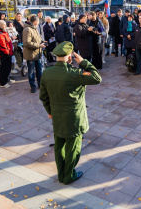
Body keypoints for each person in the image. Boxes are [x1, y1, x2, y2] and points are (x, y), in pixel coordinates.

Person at [39, 42, 101, 185]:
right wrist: (84, 62)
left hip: (57, 117)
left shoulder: (47, 73)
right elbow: (97, 78)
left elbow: (43, 96)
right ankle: (68, 176)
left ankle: (61, 173)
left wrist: (50, 111)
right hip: (74, 118)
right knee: (73, 148)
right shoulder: (75, 73)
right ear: (70, 57)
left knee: (59, 145)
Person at [23, 15, 46, 93]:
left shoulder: (34, 28)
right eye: (38, 21)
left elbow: (37, 39)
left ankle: (40, 84)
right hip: (31, 54)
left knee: (39, 70)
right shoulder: (27, 29)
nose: (39, 23)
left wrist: (42, 43)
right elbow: (27, 43)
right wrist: (39, 45)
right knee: (31, 71)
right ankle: (32, 85)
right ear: (35, 22)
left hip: (37, 53)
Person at [0, 20, 14, 88]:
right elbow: (2, 44)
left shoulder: (3, 32)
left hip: (8, 52)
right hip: (4, 53)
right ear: (1, 26)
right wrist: (7, 52)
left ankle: (6, 80)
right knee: (4, 68)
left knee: (8, 67)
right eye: (4, 25)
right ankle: (3, 83)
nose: (5, 26)